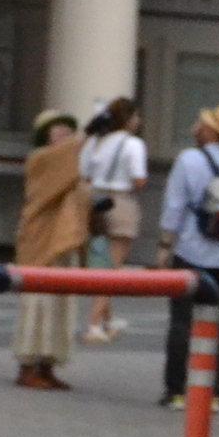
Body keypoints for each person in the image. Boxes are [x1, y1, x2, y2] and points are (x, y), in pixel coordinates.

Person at [155, 103, 219, 410]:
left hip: (191, 249)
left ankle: (177, 390)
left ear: (213, 131)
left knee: (183, 321)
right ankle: (217, 394)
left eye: (202, 123)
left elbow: (175, 205)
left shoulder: (189, 159)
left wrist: (164, 245)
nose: (196, 126)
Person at [13, 111, 90, 389]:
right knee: (38, 304)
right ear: (46, 135)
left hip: (64, 246)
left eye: (69, 131)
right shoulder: (40, 159)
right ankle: (28, 365)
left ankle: (48, 364)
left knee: (61, 306)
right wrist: (88, 134)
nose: (66, 137)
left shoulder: (70, 169)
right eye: (59, 131)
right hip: (41, 244)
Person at [78, 98, 148, 344]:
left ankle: (109, 320)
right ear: (128, 119)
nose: (138, 121)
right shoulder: (133, 144)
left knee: (99, 263)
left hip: (94, 201)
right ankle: (93, 325)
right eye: (136, 116)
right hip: (120, 202)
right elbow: (139, 181)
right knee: (112, 270)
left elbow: (83, 175)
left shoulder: (94, 142)